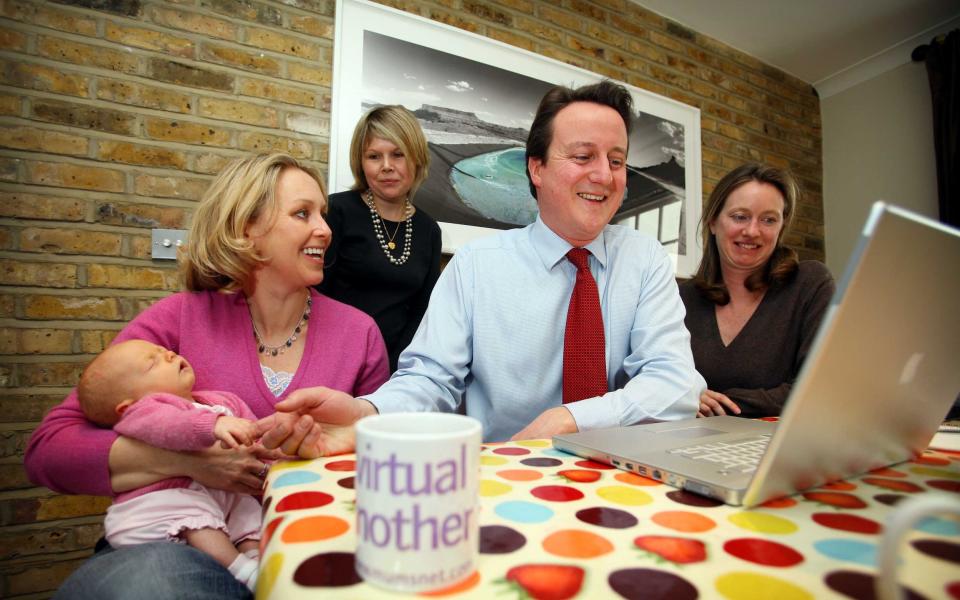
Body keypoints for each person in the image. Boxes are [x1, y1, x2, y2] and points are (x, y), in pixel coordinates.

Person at [264, 80, 702, 455]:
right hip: (506, 483)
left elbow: (676, 384)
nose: (605, 176)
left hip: (621, 478)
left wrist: (570, 420)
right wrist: (369, 413)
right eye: (583, 156)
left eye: (618, 160)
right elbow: (432, 379)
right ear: (536, 168)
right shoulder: (476, 267)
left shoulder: (645, 260)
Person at [25, 153, 390, 599]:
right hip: (179, 547)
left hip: (311, 543)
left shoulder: (359, 333)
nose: (326, 230)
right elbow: (49, 450)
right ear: (246, 231)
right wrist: (190, 463)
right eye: (302, 214)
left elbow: (380, 459)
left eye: (323, 215)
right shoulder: (179, 318)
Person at [78, 339, 262, 590]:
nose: (169, 355)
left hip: (215, 495)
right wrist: (212, 425)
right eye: (152, 363)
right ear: (127, 406)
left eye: (165, 351)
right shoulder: (143, 413)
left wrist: (272, 450)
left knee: (246, 509)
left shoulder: (219, 401)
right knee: (195, 516)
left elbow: (256, 436)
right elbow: (171, 425)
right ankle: (239, 567)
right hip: (160, 504)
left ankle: (254, 554)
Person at [679, 163, 835, 418]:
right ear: (713, 222)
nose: (752, 231)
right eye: (740, 216)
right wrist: (683, 397)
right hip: (692, 444)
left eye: (768, 220)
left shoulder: (810, 284)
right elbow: (655, 383)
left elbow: (815, 390)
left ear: (781, 228)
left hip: (780, 446)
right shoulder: (681, 299)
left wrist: (715, 404)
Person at [318, 105, 442, 372]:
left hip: (395, 368)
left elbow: (422, 312)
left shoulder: (429, 230)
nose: (387, 167)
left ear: (416, 159)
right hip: (332, 359)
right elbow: (315, 296)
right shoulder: (336, 211)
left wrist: (395, 369)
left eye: (398, 155)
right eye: (374, 156)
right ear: (361, 164)